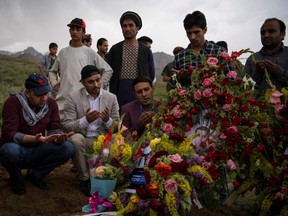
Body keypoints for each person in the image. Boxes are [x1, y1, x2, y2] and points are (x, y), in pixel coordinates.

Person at [0, 73, 75, 195]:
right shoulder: (13, 102)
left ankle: (35, 175)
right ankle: (16, 177)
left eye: (46, 93)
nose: (44, 98)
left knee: (68, 148)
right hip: (19, 149)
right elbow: (9, 133)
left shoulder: (51, 104)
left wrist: (58, 138)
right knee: (10, 150)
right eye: (39, 94)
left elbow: (54, 128)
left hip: (38, 149)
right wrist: (34, 139)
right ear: (28, 93)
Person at [62, 65, 120, 196]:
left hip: (103, 140)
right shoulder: (73, 97)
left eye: (98, 80)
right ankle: (85, 178)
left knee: (116, 138)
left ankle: (108, 175)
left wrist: (107, 120)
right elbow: (66, 125)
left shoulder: (111, 98)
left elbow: (117, 126)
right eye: (90, 82)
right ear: (82, 82)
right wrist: (85, 120)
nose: (96, 84)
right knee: (75, 139)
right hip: (84, 139)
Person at [49, 18, 113, 121]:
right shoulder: (63, 52)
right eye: (72, 29)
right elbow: (52, 71)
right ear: (69, 31)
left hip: (83, 100)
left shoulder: (89, 52)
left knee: (82, 130)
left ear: (83, 33)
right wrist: (55, 84)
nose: (74, 31)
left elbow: (108, 70)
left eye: (78, 29)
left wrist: (98, 85)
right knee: (62, 129)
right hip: (63, 98)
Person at [173, 11, 233, 88]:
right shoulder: (180, 56)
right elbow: (173, 86)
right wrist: (180, 78)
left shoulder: (219, 52)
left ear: (205, 30)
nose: (192, 37)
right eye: (189, 33)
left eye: (196, 32)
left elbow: (231, 79)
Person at [108, 11, 155, 107]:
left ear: (137, 28)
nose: (127, 29)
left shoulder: (145, 50)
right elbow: (109, 74)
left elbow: (151, 74)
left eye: (131, 25)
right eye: (124, 26)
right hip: (119, 94)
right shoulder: (115, 49)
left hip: (140, 94)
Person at [244, 18, 288, 95]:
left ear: (282, 34)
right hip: (257, 106)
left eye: (271, 31)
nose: (266, 35)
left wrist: (278, 71)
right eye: (262, 33)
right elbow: (243, 88)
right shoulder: (252, 59)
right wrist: (257, 73)